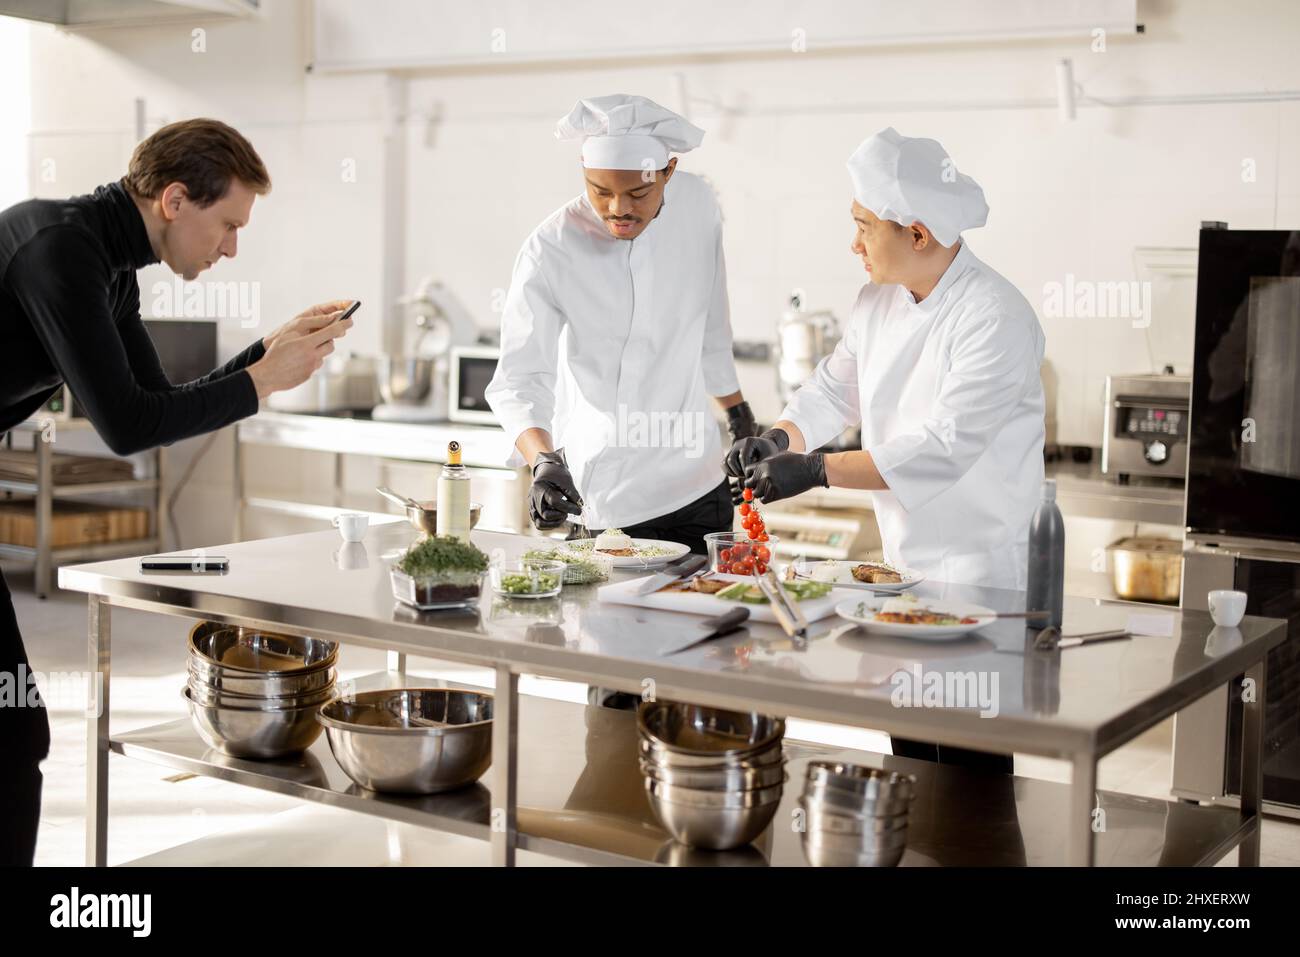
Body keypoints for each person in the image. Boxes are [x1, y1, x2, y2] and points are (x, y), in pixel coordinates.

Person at [0, 117, 355, 864]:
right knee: (16, 731)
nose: (230, 247)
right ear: (173, 200)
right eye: (227, 224)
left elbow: (155, 401)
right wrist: (261, 381)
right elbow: (127, 426)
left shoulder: (109, 264)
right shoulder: (60, 251)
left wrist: (268, 352)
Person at [725, 127, 1046, 772]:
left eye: (864, 225)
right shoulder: (877, 301)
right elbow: (831, 391)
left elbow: (943, 448)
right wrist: (778, 438)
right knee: (910, 749)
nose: (854, 243)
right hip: (904, 569)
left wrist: (815, 470)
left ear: (918, 234)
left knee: (967, 767)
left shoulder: (995, 314)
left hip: (978, 575)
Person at [485, 94, 757, 558]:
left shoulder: (698, 205)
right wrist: (543, 462)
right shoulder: (550, 249)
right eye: (599, 190)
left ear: (668, 172)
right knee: (608, 628)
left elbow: (710, 320)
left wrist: (738, 414)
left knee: (711, 620)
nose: (617, 209)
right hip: (608, 499)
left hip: (699, 487)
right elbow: (518, 381)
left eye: (637, 193)